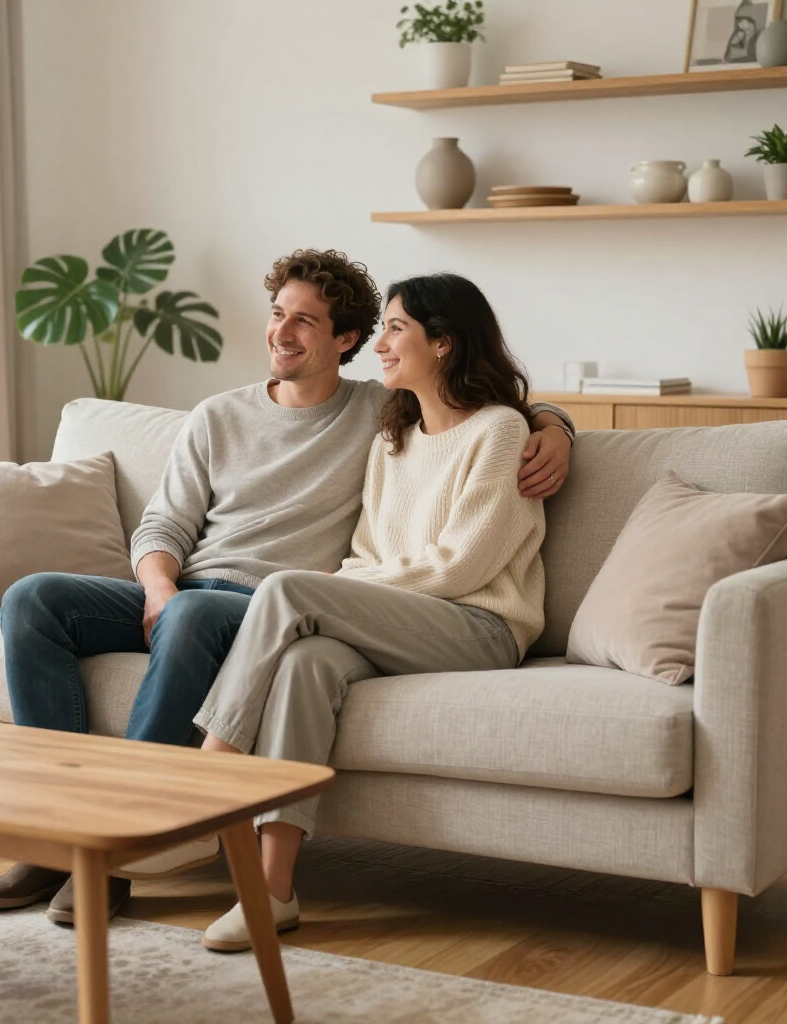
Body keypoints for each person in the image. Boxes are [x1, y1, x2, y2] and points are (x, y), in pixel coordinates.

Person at [0, 252, 574, 924]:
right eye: (278, 314)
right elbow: (162, 523)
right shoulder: (220, 415)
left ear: (345, 340)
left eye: (305, 321)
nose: (283, 331)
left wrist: (556, 427)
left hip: (272, 603)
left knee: (198, 614)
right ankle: (55, 838)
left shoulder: (379, 412)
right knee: (34, 599)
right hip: (193, 591)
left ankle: (133, 825)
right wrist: (158, 587)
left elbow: (481, 408)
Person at [195, 273, 548, 952]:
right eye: (381, 328)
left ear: (443, 344)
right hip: (403, 622)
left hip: (479, 627)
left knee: (289, 589)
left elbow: (460, 567)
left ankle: (211, 766)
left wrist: (351, 592)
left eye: (395, 329)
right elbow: (362, 555)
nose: (380, 345)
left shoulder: (501, 431)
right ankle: (273, 893)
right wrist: (357, 592)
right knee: (305, 662)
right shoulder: (394, 436)